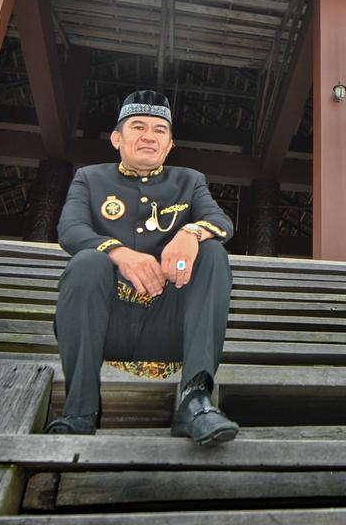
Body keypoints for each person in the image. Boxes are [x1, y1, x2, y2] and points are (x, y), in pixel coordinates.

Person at [45, 89, 238, 444]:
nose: (149, 135)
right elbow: (70, 230)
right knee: (86, 262)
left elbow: (220, 221)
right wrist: (119, 252)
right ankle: (79, 411)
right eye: (138, 126)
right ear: (117, 138)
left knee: (213, 253)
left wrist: (191, 232)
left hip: (169, 327)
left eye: (159, 130)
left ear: (169, 145)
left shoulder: (190, 181)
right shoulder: (90, 178)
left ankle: (194, 403)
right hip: (105, 324)